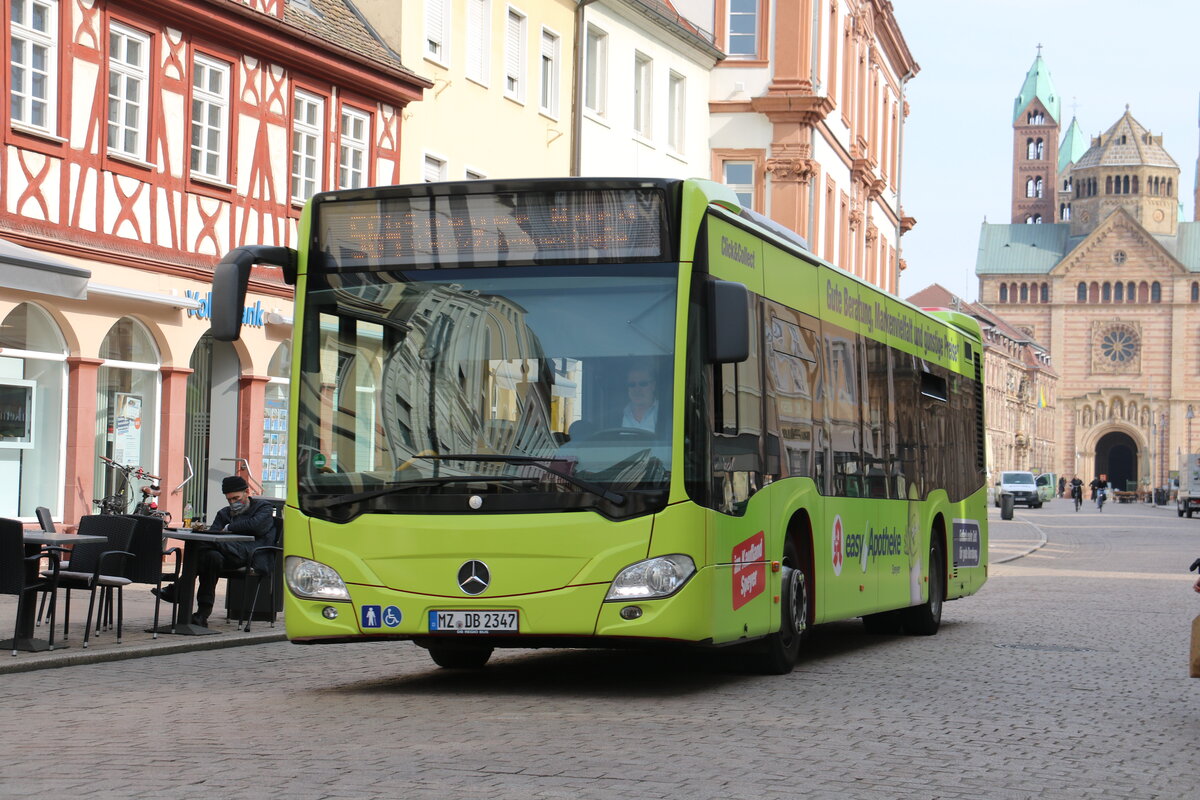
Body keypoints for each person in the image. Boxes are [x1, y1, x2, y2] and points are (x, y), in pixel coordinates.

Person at [153, 475, 276, 627]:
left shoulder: (263, 507)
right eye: (229, 499)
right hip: (225, 556)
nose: (233, 503)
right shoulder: (224, 513)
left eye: (236, 498)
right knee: (211, 557)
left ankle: (178, 588)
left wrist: (229, 528)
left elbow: (256, 526)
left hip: (251, 554)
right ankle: (202, 615)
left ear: (247, 492)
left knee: (203, 546)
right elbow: (213, 536)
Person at [621, 365, 658, 432]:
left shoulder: (665, 413)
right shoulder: (617, 415)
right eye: (632, 384)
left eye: (643, 383)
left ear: (653, 386)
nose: (637, 389)